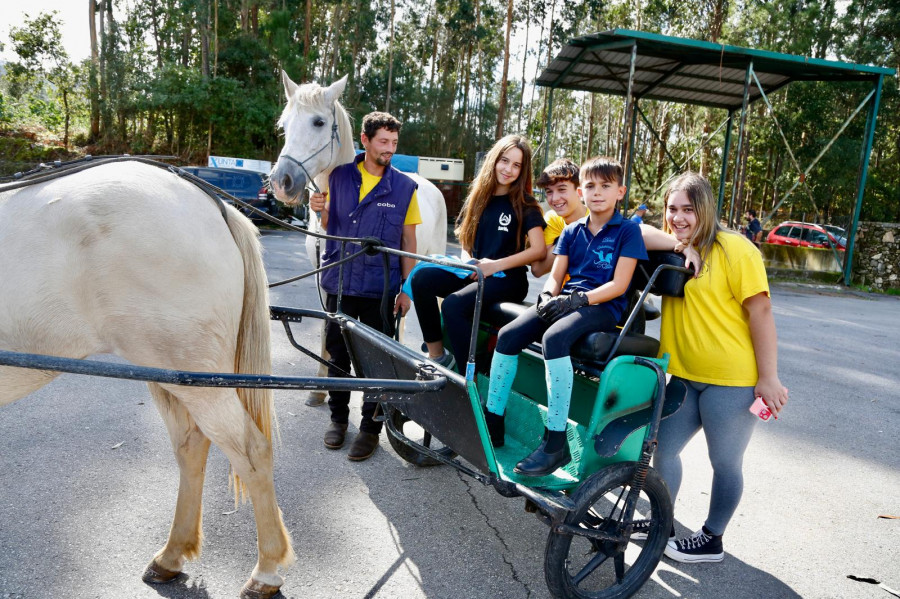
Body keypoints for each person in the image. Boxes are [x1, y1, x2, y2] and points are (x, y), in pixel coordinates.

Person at [645, 173, 789, 563]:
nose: (678, 217)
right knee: (663, 450)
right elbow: (632, 230)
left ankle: (712, 539)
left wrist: (768, 377)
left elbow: (760, 310)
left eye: (688, 210)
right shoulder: (672, 247)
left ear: (705, 209)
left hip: (732, 381)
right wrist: (676, 241)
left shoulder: (736, 249)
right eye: (672, 209)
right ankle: (663, 525)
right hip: (685, 376)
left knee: (724, 462)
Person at [482, 156, 647, 476]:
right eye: (590, 186)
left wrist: (578, 300)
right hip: (567, 300)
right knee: (508, 336)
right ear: (581, 193)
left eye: (605, 186)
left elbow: (620, 285)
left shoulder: (628, 232)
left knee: (554, 338)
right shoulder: (571, 231)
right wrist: (547, 297)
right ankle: (494, 421)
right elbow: (555, 277)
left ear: (620, 191)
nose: (597, 192)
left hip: (602, 306)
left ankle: (556, 443)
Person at [309, 111, 421, 461]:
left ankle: (370, 431)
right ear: (366, 140)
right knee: (338, 356)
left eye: (394, 143)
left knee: (375, 363)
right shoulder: (338, 177)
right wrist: (318, 208)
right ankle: (338, 421)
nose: (389, 149)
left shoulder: (404, 187)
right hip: (340, 282)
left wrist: (408, 289)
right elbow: (331, 223)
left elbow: (408, 240)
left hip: (381, 289)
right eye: (383, 142)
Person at [409, 135, 546, 375]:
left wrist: (495, 266)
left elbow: (538, 250)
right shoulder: (479, 198)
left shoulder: (526, 203)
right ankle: (438, 357)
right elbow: (466, 243)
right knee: (421, 279)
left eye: (516, 165)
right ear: (494, 161)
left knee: (453, 305)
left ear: (523, 171)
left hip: (508, 280)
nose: (508, 169)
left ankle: (467, 380)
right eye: (505, 161)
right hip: (476, 272)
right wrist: (467, 262)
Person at [530, 158, 587, 277]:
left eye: (562, 189)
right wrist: (570, 237)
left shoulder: (597, 218)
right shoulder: (553, 219)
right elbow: (537, 269)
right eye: (549, 192)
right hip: (563, 292)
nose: (554, 198)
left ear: (579, 190)